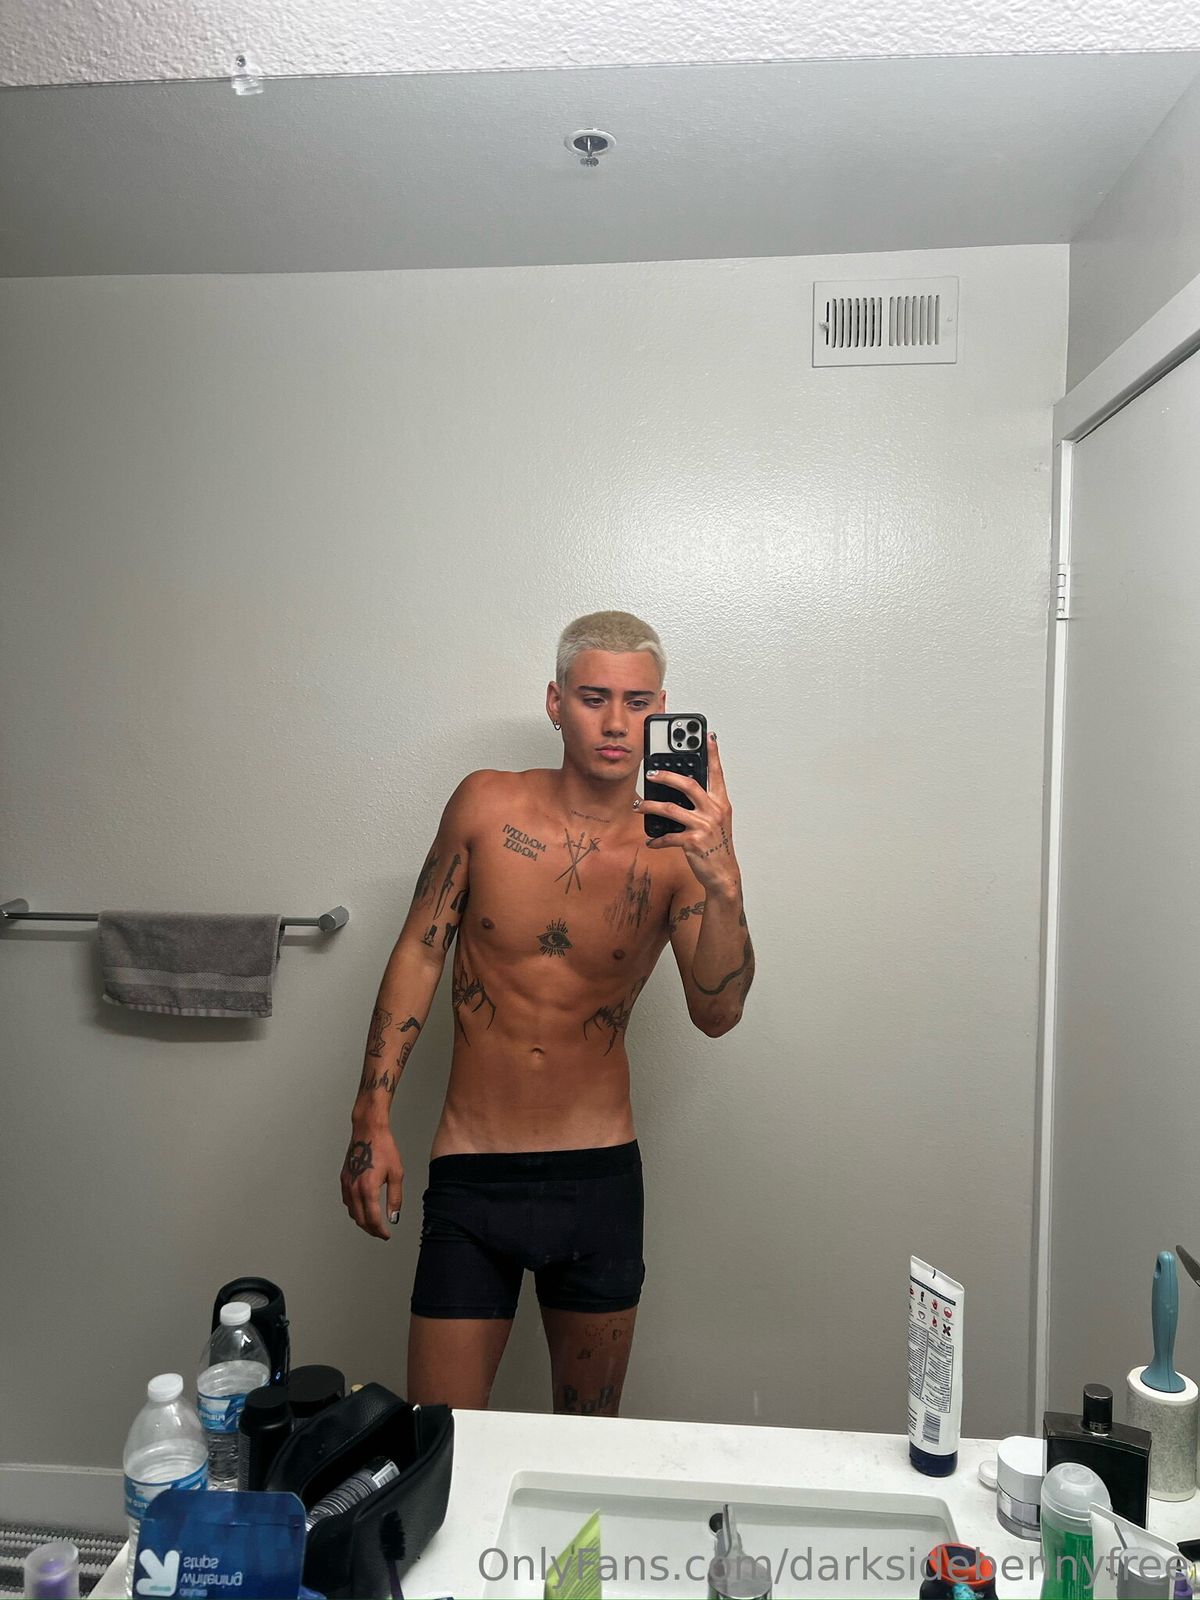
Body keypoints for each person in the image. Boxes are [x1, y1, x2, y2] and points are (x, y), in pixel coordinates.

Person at [340, 610, 754, 1415]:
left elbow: (718, 1012)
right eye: (594, 698)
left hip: (597, 1177)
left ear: (661, 710)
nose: (616, 722)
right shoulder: (485, 807)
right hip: (473, 1169)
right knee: (440, 1442)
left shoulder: (677, 853)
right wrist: (370, 1115)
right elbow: (420, 951)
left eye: (637, 703)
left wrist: (725, 878)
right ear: (556, 702)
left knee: (585, 1446)